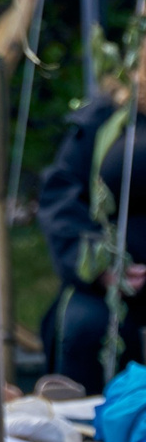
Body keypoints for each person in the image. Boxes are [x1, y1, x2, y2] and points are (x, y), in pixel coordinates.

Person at [36, 92, 146, 394]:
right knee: (87, 328)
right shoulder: (108, 116)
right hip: (108, 288)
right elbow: (62, 201)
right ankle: (85, 429)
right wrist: (98, 264)